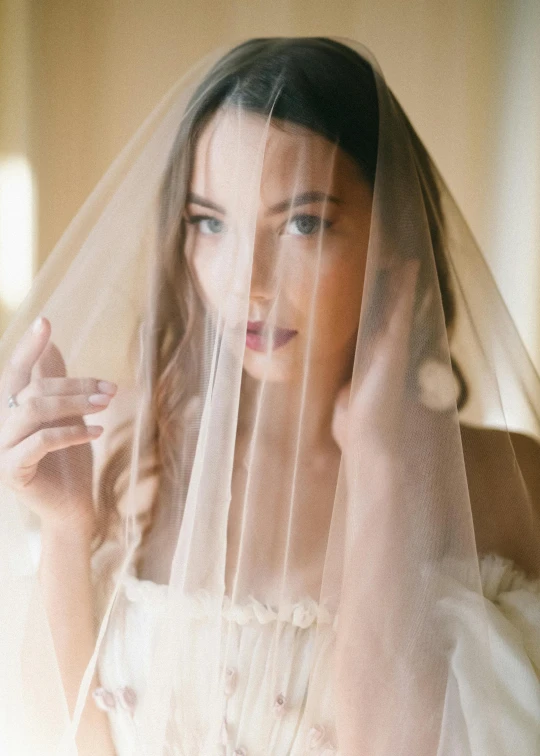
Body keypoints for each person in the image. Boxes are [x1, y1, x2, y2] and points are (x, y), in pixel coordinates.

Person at [0, 37, 539, 756]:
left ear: (393, 233)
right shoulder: (123, 457)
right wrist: (67, 533)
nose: (245, 281)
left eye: (302, 223)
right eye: (209, 222)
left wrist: (380, 475)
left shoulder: (506, 488)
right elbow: (54, 739)